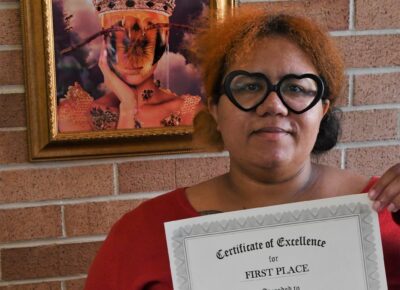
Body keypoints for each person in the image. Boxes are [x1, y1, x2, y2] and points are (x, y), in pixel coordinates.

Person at [84, 8, 400, 290]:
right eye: (249, 86)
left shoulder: (389, 215)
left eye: (296, 88)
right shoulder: (142, 234)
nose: (274, 105)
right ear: (215, 110)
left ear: (323, 110)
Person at [57, 0, 203, 132]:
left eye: (150, 28)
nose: (133, 59)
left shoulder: (189, 111)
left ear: (165, 36)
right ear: (104, 39)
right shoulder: (77, 116)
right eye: (117, 32)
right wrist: (127, 107)